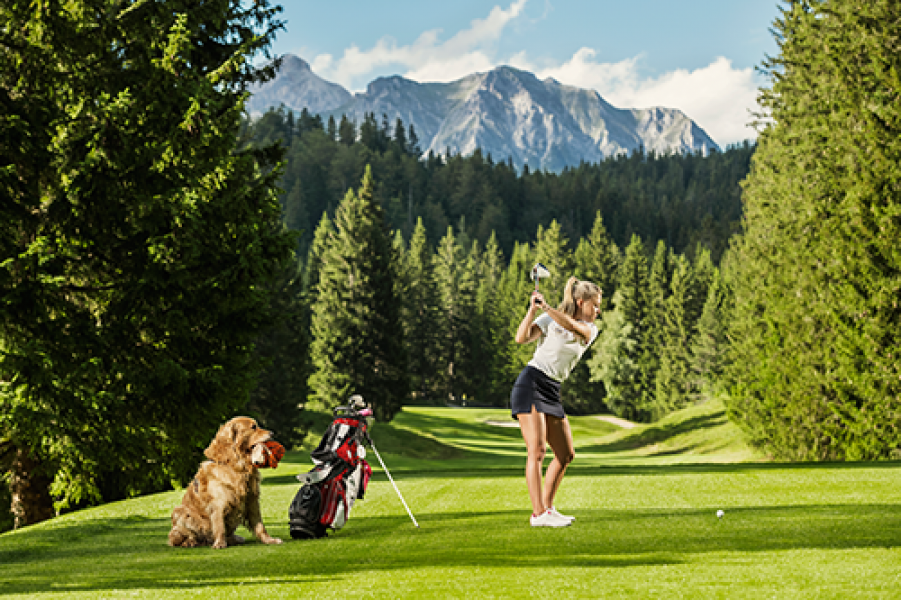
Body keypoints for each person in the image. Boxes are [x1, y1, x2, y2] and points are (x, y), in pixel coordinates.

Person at [511, 276, 601, 527]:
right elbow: (522, 338)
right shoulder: (550, 318)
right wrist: (533, 310)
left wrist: (547, 307)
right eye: (594, 305)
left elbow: (575, 329)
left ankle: (548, 509)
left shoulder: (590, 329)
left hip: (551, 388)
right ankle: (538, 514)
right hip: (531, 383)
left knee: (565, 453)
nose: (598, 310)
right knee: (537, 450)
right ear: (580, 302)